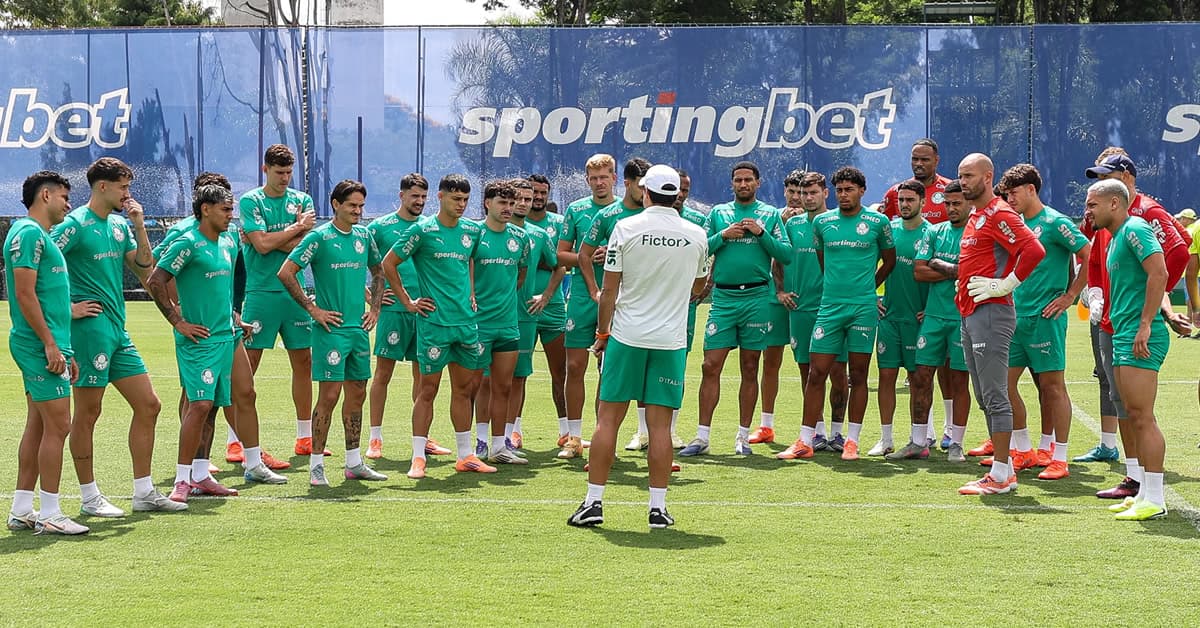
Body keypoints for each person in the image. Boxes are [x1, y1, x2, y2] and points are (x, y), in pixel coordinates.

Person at [567, 165, 708, 529]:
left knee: (608, 419)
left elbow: (609, 289)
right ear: (676, 194)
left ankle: (593, 502)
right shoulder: (696, 233)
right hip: (670, 341)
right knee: (659, 428)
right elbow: (698, 288)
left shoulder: (625, 228)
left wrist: (601, 334)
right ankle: (657, 508)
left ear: (644, 192)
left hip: (627, 336)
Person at [147, 184, 288, 503]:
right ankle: (184, 480)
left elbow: (238, 278)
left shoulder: (229, 240)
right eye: (225, 209)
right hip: (201, 340)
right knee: (199, 406)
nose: (230, 215)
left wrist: (236, 314)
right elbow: (156, 280)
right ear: (206, 209)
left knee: (244, 395)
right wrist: (177, 320)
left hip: (229, 335)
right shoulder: (187, 242)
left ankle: (244, 466)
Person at [51, 157, 167, 519]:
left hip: (118, 330)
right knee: (89, 411)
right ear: (102, 187)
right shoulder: (73, 224)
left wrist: (140, 226)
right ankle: (89, 497)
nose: (127, 194)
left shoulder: (119, 225)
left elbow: (145, 268)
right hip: (89, 332)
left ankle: (143, 491)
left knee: (149, 404)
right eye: (123, 188)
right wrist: (67, 309)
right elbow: (37, 264)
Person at [278, 180, 388, 486]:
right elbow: (286, 272)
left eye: (361, 206)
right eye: (352, 205)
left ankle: (353, 462)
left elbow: (379, 271)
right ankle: (316, 464)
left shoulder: (364, 236)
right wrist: (312, 310)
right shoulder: (319, 237)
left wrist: (375, 309)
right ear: (335, 204)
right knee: (328, 395)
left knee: (358, 394)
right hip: (331, 331)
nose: (357, 211)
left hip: (358, 330)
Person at [382, 174, 492, 479]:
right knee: (427, 390)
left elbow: (469, 260)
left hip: (465, 324)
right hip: (434, 324)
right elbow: (388, 263)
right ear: (441, 197)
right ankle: (418, 457)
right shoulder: (423, 230)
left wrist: (470, 292)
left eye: (466, 200)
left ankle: (465, 455)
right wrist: (408, 302)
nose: (461, 205)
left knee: (464, 390)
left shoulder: (472, 230)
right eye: (456, 199)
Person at [680, 161, 790, 457]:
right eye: (738, 180)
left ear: (758, 182)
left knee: (750, 366)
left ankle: (742, 437)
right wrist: (723, 236)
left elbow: (786, 254)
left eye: (748, 180)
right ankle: (702, 437)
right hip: (723, 299)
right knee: (710, 365)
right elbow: (700, 247)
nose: (743, 185)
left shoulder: (769, 214)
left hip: (756, 298)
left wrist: (761, 234)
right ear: (732, 184)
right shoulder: (719, 213)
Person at [988, 164, 1089, 480]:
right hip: (1014, 317)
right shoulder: (1014, 224)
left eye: (1014, 193)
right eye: (1006, 195)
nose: (1010, 199)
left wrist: (1070, 295)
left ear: (1031, 189)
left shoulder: (1055, 222)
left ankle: (1059, 457)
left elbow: (1090, 254)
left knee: (1052, 387)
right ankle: (1025, 449)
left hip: (1046, 318)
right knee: (1003, 385)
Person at [786, 167, 893, 462]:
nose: (844, 195)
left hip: (862, 309)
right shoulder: (822, 222)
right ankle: (805, 440)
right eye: (840, 190)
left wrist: (868, 289)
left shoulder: (878, 222)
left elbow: (890, 260)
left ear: (862, 191)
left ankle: (852, 441)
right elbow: (824, 261)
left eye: (849, 189)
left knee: (857, 375)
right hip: (829, 307)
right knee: (816, 372)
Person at [954, 153, 1045, 496]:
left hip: (990, 313)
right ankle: (1002, 470)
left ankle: (1002, 475)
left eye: (970, 175)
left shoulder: (999, 212)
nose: (964, 182)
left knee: (994, 394)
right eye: (961, 176)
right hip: (972, 312)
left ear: (988, 176)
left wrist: (1006, 284)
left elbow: (1033, 250)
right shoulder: (978, 214)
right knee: (984, 393)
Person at [6, 171, 90, 534]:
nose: (68, 205)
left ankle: (23, 507)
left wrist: (62, 346)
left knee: (39, 425)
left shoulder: (35, 235)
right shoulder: (27, 234)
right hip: (37, 345)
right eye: (64, 198)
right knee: (60, 425)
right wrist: (50, 344)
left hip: (47, 343)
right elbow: (24, 294)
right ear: (45, 196)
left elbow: (46, 298)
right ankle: (51, 513)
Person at [1087, 179, 1172, 520]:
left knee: (1142, 416)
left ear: (1114, 204)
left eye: (1093, 204)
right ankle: (1145, 494)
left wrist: (1146, 322)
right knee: (1133, 415)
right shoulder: (1114, 237)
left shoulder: (1135, 228)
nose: (1088, 210)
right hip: (1123, 332)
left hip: (1138, 336)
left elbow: (1160, 272)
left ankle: (1155, 498)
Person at [238, 145, 322, 457]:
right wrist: (297, 228)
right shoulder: (251, 200)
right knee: (248, 366)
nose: (285, 178)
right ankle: (236, 441)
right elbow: (260, 246)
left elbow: (304, 248)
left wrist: (277, 238)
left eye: (289, 172)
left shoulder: (302, 199)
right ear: (265, 170)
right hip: (260, 293)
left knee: (304, 362)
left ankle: (304, 438)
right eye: (279, 172)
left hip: (294, 293)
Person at [365, 173, 450, 460]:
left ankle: (423, 437)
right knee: (383, 374)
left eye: (424, 197)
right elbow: (364, 264)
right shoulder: (381, 227)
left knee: (424, 376)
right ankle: (375, 438)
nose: (420, 202)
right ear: (401, 195)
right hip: (394, 311)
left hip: (425, 311)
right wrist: (372, 297)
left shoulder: (431, 228)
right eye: (414, 196)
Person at [881, 138, 958, 446]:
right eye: (915, 158)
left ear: (936, 160)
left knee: (948, 369)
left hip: (938, 294)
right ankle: (923, 430)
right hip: (903, 292)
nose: (919, 164)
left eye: (925, 159)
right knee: (920, 370)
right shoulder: (894, 194)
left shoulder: (951, 190)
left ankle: (951, 429)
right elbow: (885, 240)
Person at [577, 158, 651, 453]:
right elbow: (583, 255)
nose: (648, 193)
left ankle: (647, 436)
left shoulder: (656, 215)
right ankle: (601, 445)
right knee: (608, 377)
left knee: (649, 377)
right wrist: (595, 291)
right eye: (643, 187)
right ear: (628, 183)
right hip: (616, 309)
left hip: (646, 308)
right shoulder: (609, 216)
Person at [776, 172, 851, 460]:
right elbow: (778, 259)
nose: (807, 198)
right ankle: (817, 432)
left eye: (812, 193)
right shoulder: (791, 224)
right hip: (801, 309)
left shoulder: (836, 222)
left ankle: (837, 432)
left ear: (824, 194)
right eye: (802, 193)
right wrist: (781, 290)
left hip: (833, 308)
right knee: (807, 372)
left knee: (838, 373)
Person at [900, 180, 972, 463]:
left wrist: (940, 265)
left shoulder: (976, 231)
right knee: (920, 376)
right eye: (947, 204)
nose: (951, 209)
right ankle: (918, 441)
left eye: (957, 203)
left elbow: (976, 272)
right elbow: (919, 271)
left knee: (958, 381)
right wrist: (957, 271)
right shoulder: (934, 231)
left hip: (962, 317)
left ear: (968, 203)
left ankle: (956, 442)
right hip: (932, 317)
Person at [556, 154, 619, 457]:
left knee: (608, 370)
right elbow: (561, 254)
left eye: (604, 176)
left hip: (617, 298)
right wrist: (588, 255)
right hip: (581, 297)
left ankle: (601, 436)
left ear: (615, 178)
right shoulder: (576, 209)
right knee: (574, 366)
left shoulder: (626, 212)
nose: (599, 182)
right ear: (587, 180)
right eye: (593, 178)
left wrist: (613, 256)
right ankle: (573, 438)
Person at [469, 180, 530, 465]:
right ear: (487, 204)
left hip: (508, 323)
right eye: (502, 203)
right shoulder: (472, 234)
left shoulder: (520, 238)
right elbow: (464, 271)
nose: (508, 208)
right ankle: (480, 442)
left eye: (511, 203)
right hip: (479, 324)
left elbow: (521, 274)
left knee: (503, 386)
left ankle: (499, 445)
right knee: (479, 384)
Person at [872, 179, 930, 458]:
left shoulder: (932, 233)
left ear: (923, 202)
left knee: (919, 380)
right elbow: (865, 267)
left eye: (910, 200)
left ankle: (919, 438)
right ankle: (885, 439)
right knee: (886, 377)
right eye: (901, 200)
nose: (905, 205)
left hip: (918, 320)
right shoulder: (888, 231)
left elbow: (938, 276)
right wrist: (871, 298)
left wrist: (930, 307)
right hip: (889, 318)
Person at [748, 169, 805, 447]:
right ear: (784, 191)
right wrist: (779, 289)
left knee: (813, 366)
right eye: (792, 192)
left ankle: (815, 429)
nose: (796, 198)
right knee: (769, 362)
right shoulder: (773, 218)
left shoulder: (818, 220)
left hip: (808, 300)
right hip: (774, 299)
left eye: (801, 192)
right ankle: (766, 425)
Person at [509, 177, 566, 452]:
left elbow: (561, 263)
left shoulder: (550, 228)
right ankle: (505, 434)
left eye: (532, 197)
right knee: (492, 378)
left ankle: (567, 431)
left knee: (558, 371)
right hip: (502, 313)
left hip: (545, 309)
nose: (527, 201)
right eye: (519, 197)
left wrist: (546, 296)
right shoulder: (492, 229)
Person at [674, 168, 713, 448]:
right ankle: (641, 430)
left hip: (683, 307)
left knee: (676, 366)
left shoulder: (699, 221)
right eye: (675, 189)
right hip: (649, 304)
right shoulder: (643, 221)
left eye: (685, 190)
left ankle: (671, 429)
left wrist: (700, 292)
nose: (680, 195)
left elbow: (708, 258)